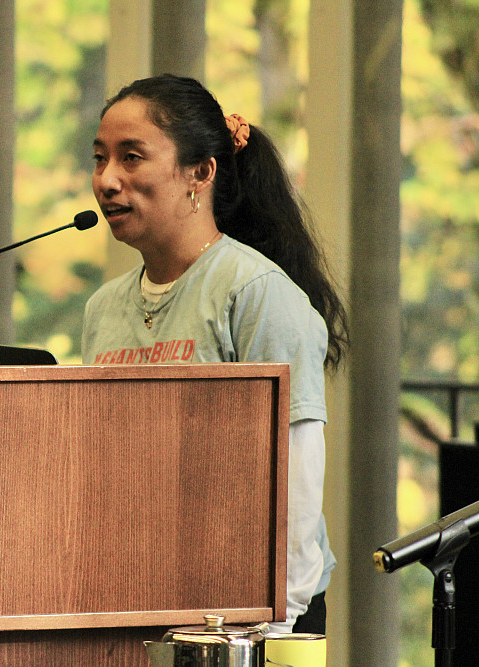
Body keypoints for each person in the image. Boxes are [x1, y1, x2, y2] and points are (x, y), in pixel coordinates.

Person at [82, 74, 348, 634]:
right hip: (139, 593)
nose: (107, 180)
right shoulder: (103, 308)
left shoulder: (255, 292)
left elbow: (297, 471)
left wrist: (275, 622)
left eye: (131, 157)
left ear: (200, 173)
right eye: (100, 158)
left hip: (251, 612)